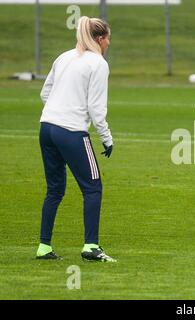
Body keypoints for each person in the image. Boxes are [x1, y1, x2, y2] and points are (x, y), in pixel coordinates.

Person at [36, 16, 116, 262]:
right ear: (100, 39)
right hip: (71, 132)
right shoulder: (98, 63)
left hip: (46, 128)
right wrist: (107, 138)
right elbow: (96, 107)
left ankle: (44, 247)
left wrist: (57, 110)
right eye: (108, 38)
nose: (109, 43)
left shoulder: (64, 56)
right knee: (93, 188)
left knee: (55, 190)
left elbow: (45, 92)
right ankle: (91, 246)